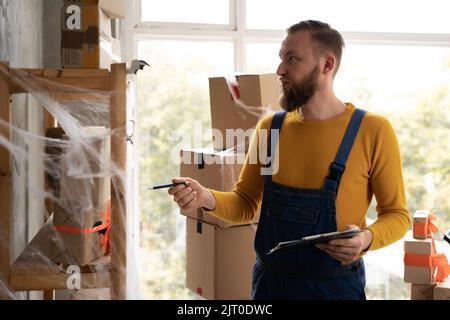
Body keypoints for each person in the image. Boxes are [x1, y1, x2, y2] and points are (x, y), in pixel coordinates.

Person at [168, 20, 410, 300]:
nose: (280, 70)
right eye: (281, 58)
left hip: (335, 288)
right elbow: (245, 204)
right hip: (272, 285)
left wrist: (366, 239)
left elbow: (397, 215)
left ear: (326, 64)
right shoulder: (270, 128)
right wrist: (205, 197)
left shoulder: (372, 130)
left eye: (292, 59)